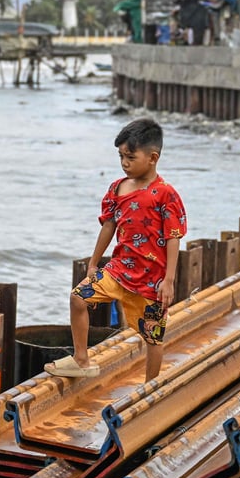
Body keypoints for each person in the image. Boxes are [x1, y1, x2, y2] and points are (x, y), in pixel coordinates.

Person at [45, 118, 187, 382]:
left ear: (153, 157)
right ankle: (81, 359)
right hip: (119, 270)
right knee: (78, 298)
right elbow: (108, 226)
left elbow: (173, 237)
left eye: (131, 157)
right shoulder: (117, 188)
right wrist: (94, 262)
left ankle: (150, 387)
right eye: (121, 156)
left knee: (152, 338)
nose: (124, 162)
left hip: (151, 280)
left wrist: (168, 281)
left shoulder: (165, 194)